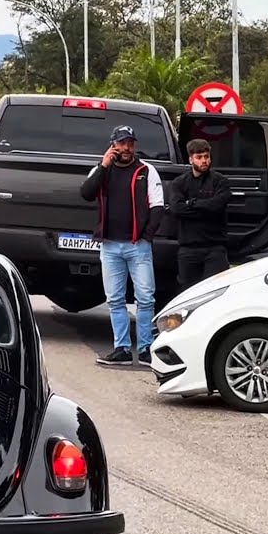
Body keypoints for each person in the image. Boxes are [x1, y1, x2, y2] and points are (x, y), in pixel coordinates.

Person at [80, 124, 166, 368]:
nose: (126, 147)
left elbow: (157, 207)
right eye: (121, 143)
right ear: (113, 145)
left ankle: (147, 348)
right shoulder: (101, 171)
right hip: (109, 246)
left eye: (130, 142)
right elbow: (86, 193)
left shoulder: (146, 171)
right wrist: (103, 165)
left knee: (145, 298)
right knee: (115, 299)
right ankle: (122, 349)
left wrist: (146, 236)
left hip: (137, 245)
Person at [168, 138, 232, 291]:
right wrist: (206, 208)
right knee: (187, 293)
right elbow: (176, 208)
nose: (204, 161)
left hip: (215, 248)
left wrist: (192, 203)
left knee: (216, 292)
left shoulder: (220, 181)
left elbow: (217, 205)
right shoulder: (179, 183)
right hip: (188, 249)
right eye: (199, 157)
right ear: (191, 159)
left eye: (206, 156)